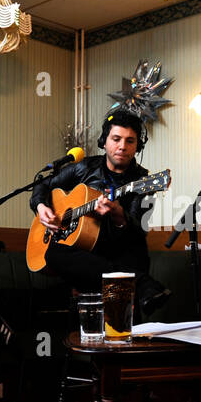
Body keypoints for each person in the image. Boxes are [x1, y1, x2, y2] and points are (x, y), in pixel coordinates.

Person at [30, 109, 169, 316]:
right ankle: (140, 283)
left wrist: (118, 215)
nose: (122, 146)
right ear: (104, 141)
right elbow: (42, 184)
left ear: (137, 146)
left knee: (133, 254)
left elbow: (139, 230)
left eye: (130, 141)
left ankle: (134, 292)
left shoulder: (143, 181)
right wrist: (41, 207)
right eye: (116, 139)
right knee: (53, 253)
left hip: (120, 251)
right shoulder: (84, 168)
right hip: (86, 255)